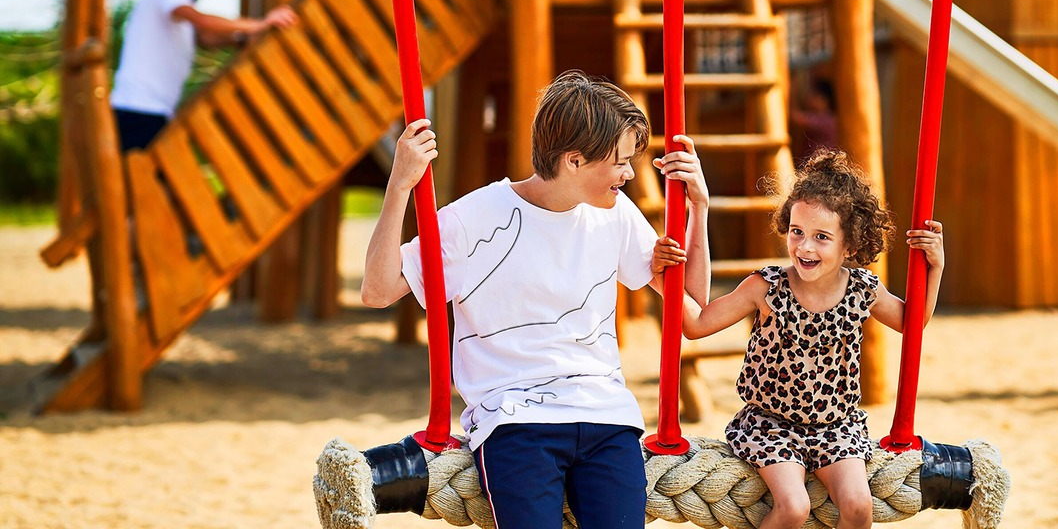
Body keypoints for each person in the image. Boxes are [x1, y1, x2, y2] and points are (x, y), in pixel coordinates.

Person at [360, 70, 711, 528]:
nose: (630, 173)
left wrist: (699, 207)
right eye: (621, 161)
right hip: (515, 420)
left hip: (606, 416)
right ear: (574, 161)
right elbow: (378, 289)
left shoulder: (616, 215)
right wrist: (400, 185)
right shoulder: (474, 219)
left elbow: (690, 308)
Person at [659, 148, 943, 529]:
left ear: (851, 245)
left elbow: (913, 323)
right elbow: (696, 325)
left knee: (859, 508)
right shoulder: (767, 286)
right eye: (797, 232)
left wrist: (935, 266)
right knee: (794, 508)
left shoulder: (863, 289)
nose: (805, 247)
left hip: (837, 426)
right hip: (771, 424)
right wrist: (665, 278)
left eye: (821, 237)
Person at [110, 0, 298, 151]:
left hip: (154, 111)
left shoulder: (178, 9)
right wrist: (260, 23)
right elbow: (202, 22)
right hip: (137, 109)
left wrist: (241, 40)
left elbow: (205, 39)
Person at [790, 76, 839, 160]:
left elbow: (796, 118)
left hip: (820, 164)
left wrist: (791, 90)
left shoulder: (825, 119)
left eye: (814, 95)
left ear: (824, 100)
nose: (810, 98)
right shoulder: (827, 117)